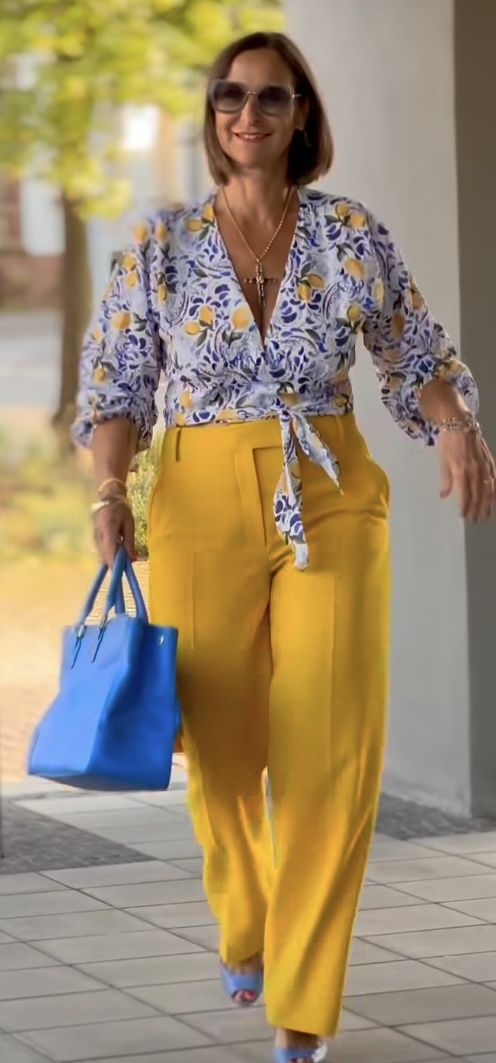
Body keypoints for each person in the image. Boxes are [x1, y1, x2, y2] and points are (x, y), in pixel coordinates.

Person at [71, 30, 495, 1063]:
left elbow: (411, 347)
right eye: (230, 97)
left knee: (330, 751)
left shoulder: (348, 231)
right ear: (213, 113)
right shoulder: (159, 243)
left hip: (330, 484)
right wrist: (106, 494)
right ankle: (248, 923)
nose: (246, 115)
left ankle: (302, 1004)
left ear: (302, 112)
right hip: (196, 495)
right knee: (220, 759)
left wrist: (454, 423)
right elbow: (116, 382)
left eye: (270, 98)